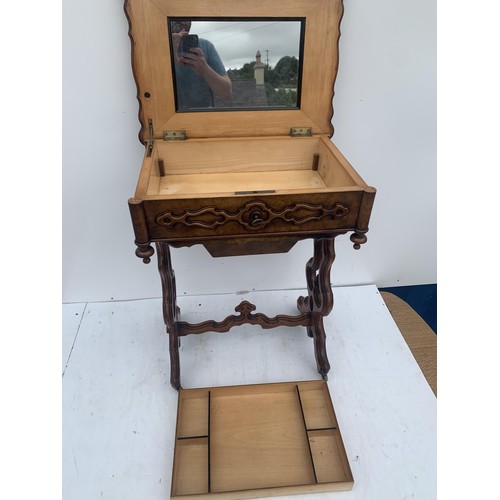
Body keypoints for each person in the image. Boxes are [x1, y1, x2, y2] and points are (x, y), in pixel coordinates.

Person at [171, 20, 232, 109]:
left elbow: (226, 92)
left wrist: (205, 69)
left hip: (203, 119)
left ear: (191, 22)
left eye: (186, 17)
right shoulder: (158, 49)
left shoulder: (206, 46)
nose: (180, 20)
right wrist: (167, 55)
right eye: (175, 17)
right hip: (169, 119)